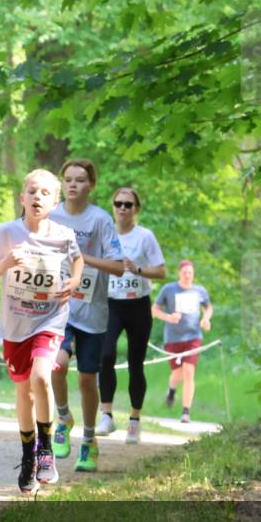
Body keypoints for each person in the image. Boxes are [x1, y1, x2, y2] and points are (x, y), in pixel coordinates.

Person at [0, 169, 82, 493]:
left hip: (49, 319)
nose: (37, 197)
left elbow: (77, 261)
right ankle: (28, 458)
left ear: (55, 201)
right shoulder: (5, 233)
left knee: (41, 378)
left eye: (45, 193)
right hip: (16, 325)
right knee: (24, 390)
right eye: (32, 192)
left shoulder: (64, 235)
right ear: (22, 198)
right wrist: (5, 263)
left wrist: (75, 281)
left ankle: (47, 451)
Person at [48, 159, 124, 472]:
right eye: (68, 180)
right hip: (58, 307)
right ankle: (63, 416)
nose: (73, 185)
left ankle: (89, 440)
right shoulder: (51, 215)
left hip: (93, 311)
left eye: (80, 180)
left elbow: (119, 265)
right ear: (62, 183)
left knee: (87, 378)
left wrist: (82, 258)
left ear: (91, 185)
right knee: (57, 364)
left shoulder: (101, 220)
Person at [98, 188, 167, 442]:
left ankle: (135, 420)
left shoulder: (145, 236)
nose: (123, 208)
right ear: (113, 207)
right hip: (111, 303)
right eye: (118, 203)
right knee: (105, 355)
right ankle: (106, 415)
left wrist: (136, 269)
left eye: (128, 204)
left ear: (136, 208)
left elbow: (161, 271)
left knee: (135, 363)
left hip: (138, 304)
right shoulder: (106, 234)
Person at [153, 260, 213, 423]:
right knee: (177, 373)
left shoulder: (199, 290)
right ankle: (172, 390)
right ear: (179, 273)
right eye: (185, 272)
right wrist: (168, 317)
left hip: (193, 337)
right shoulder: (169, 289)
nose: (188, 275)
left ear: (193, 274)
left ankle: (186, 412)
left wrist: (206, 319)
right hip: (173, 338)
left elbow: (208, 307)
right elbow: (154, 310)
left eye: (190, 273)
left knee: (188, 371)